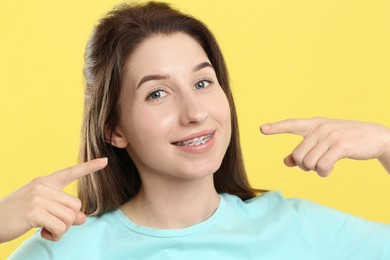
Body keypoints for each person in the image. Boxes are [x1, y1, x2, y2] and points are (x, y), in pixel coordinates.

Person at [3, 1, 390, 259]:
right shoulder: (64, 251)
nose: (195, 113)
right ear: (114, 129)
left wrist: (388, 146)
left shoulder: (302, 230)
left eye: (203, 83)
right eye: (157, 93)